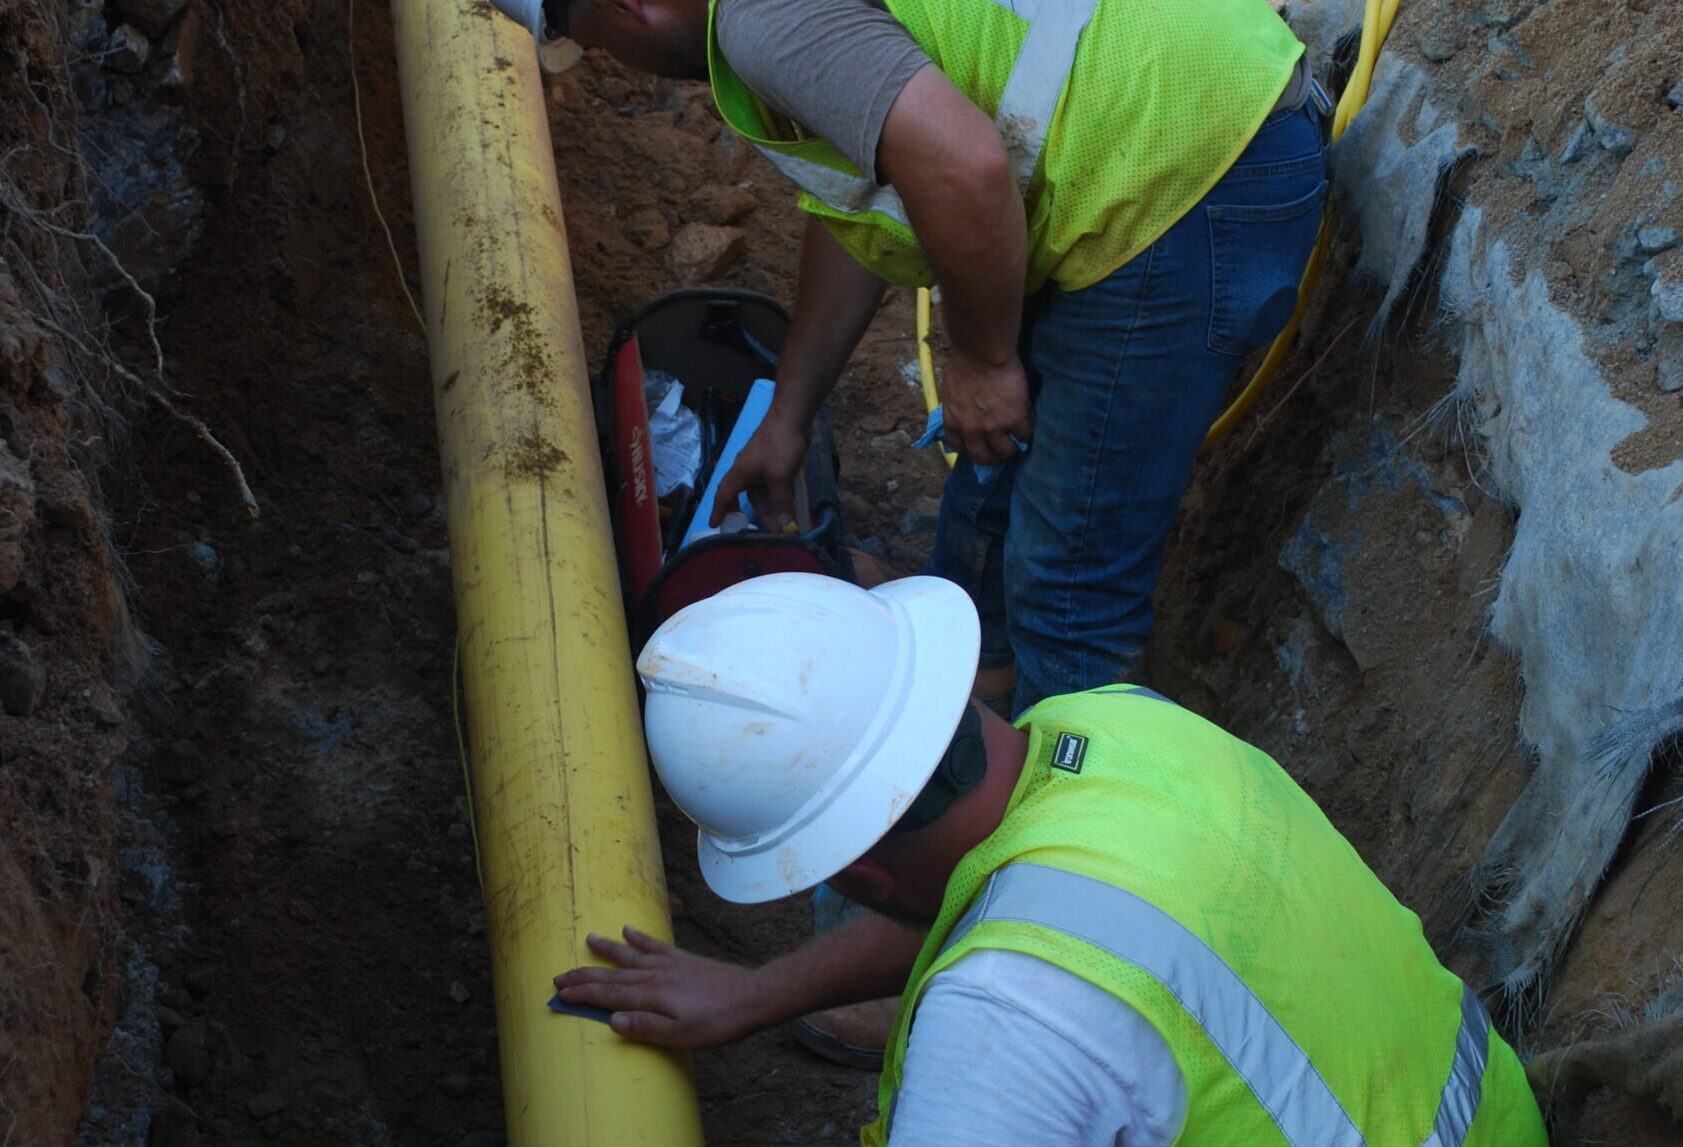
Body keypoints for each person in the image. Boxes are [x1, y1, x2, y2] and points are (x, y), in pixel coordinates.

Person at [553, 573, 1550, 1146]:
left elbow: (1025, 974)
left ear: (852, 873)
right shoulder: (1111, 725)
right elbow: (1030, 918)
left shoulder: (1000, 1035)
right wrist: (759, 992)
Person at [537, 0, 1331, 716]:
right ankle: (967, 711)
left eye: (586, 44)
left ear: (620, 9)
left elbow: (962, 166)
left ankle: (1063, 834)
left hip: (1193, 165)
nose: (606, 59)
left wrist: (983, 361)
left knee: (1067, 592)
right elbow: (870, 210)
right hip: (1144, 125)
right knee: (988, 495)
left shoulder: (756, 19)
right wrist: (789, 413)